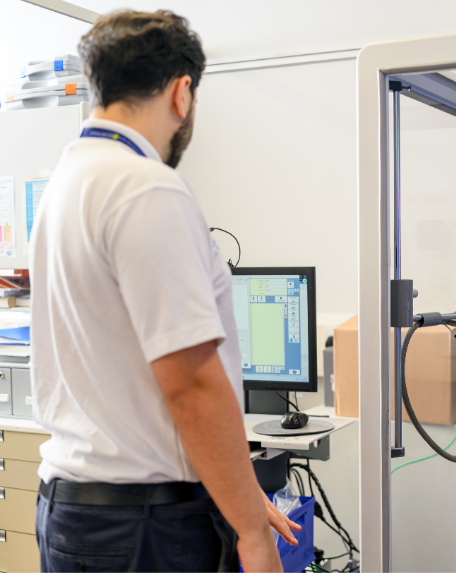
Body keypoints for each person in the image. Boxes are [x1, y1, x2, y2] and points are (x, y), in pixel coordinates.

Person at [30, 11, 298, 572]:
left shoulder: (66, 184)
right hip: (144, 526)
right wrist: (251, 530)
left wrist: (240, 495)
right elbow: (191, 383)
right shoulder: (145, 187)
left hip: (80, 514)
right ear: (182, 93)